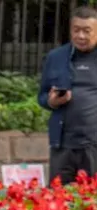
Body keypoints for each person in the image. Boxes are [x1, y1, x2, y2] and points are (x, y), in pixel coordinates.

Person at [40, 6, 98, 185]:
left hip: (93, 145)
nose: (80, 36)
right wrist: (51, 101)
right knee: (57, 198)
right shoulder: (56, 57)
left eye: (86, 31)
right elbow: (42, 96)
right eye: (76, 30)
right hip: (62, 145)